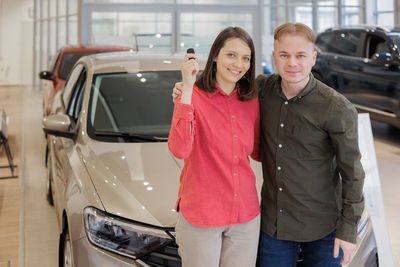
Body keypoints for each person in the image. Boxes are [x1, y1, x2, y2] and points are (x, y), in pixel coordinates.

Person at [255, 22, 365, 266]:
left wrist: (348, 231)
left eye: (300, 55)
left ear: (313, 58)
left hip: (323, 229)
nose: (292, 63)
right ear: (274, 57)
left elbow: (353, 173)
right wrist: (187, 88)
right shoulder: (263, 90)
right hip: (275, 227)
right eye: (284, 55)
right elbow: (223, 87)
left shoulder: (336, 108)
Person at [168, 26, 261, 267]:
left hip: (245, 215)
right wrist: (186, 87)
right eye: (231, 55)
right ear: (215, 56)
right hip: (202, 214)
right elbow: (180, 149)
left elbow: (259, 151)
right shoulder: (190, 95)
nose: (238, 64)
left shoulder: (252, 100)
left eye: (245, 58)